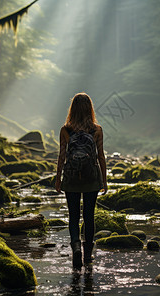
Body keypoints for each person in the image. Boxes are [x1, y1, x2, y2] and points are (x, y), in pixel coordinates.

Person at [55, 92, 107, 269]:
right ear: (90, 109)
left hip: (71, 177)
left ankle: (76, 246)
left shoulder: (65, 130)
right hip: (91, 177)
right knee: (89, 216)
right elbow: (100, 156)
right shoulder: (97, 130)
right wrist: (104, 181)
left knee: (73, 215)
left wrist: (58, 179)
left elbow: (62, 156)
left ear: (73, 109)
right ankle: (88, 255)